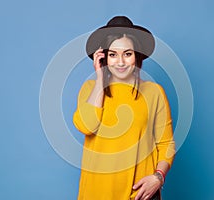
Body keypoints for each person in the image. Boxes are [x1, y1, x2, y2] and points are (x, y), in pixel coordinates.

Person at [73, 16, 175, 200]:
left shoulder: (154, 92)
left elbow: (166, 144)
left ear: (137, 56)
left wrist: (158, 177)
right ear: (103, 57)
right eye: (113, 55)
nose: (120, 62)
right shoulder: (90, 88)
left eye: (127, 54)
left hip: (139, 195)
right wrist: (100, 79)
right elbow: (87, 126)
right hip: (97, 194)